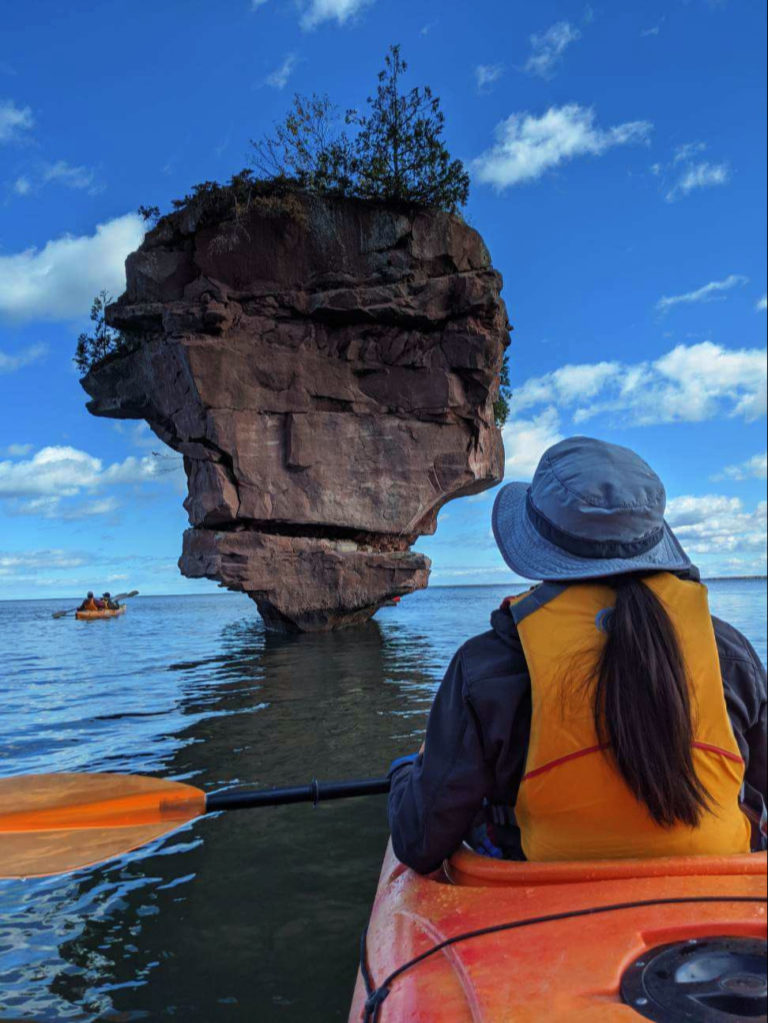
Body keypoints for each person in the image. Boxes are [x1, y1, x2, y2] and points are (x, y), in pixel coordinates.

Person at [388, 437, 767, 872]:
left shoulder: (485, 668)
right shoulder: (733, 655)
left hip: (542, 898)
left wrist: (403, 774)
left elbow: (418, 842)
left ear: (541, 549)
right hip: (714, 895)